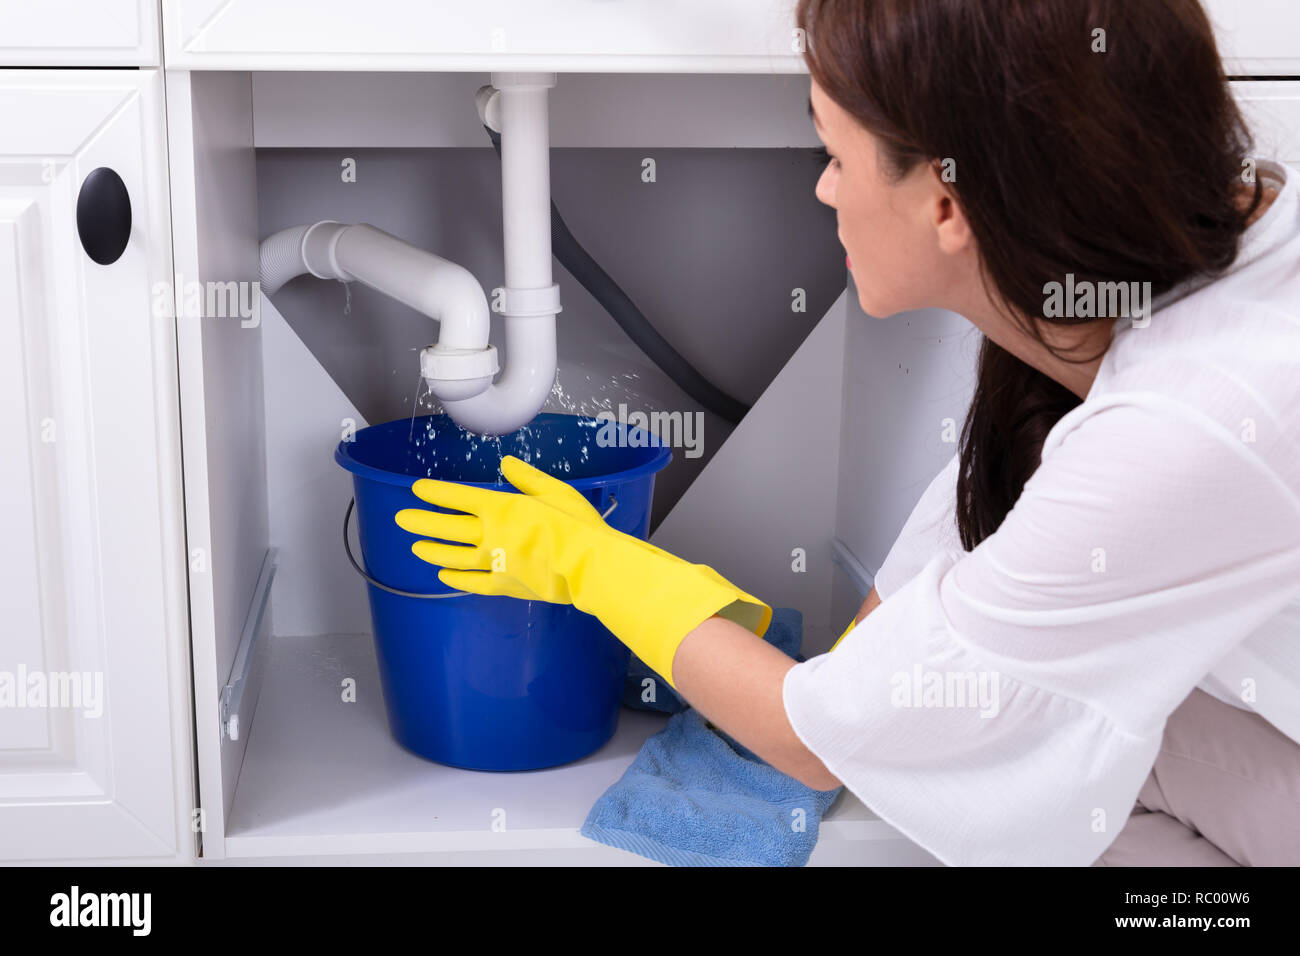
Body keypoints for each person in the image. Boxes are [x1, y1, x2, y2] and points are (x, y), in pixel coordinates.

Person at [394, 0, 1300, 866]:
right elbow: (925, 613)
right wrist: (720, 619)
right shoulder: (1132, 279)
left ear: (948, 205)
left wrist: (596, 567)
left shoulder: (1188, 424)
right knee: (1067, 761)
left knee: (1031, 772)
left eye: (835, 155)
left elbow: (818, 743)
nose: (824, 188)